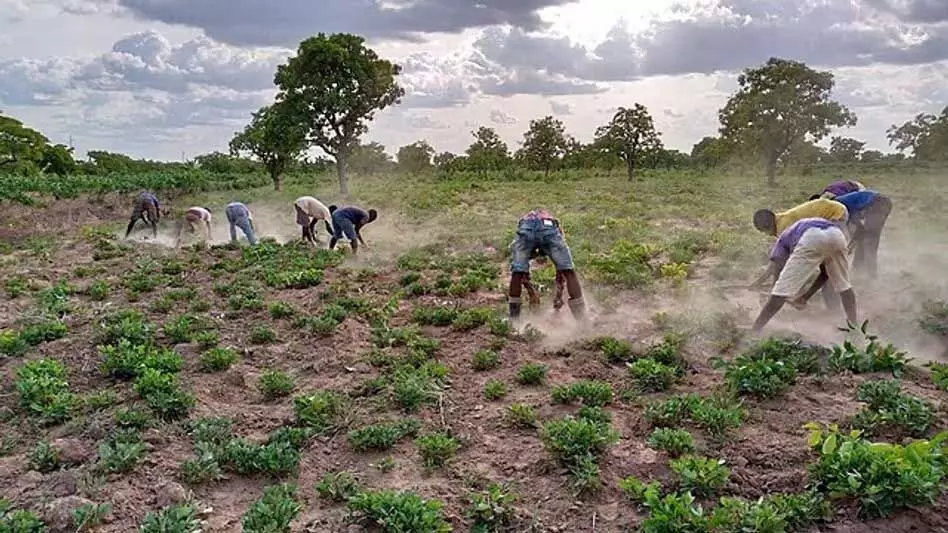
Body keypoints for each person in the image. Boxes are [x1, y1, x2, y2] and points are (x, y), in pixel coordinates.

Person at [753, 217, 857, 331]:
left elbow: (778, 266)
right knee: (844, 285)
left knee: (780, 291)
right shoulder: (795, 229)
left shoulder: (782, 241)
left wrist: (776, 291)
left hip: (811, 237)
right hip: (837, 235)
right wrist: (804, 297)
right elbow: (826, 273)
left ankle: (755, 329)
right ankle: (855, 327)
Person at [508, 209, 585, 320]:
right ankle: (582, 320)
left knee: (517, 271)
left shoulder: (527, 241)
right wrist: (556, 299)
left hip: (526, 227)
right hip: (548, 227)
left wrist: (556, 298)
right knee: (568, 271)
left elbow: (522, 275)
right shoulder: (555, 231)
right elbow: (562, 273)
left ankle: (513, 320)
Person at [831, 189, 891, 279]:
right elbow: (859, 229)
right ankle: (858, 269)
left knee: (870, 240)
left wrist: (850, 245)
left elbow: (858, 227)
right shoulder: (840, 204)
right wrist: (852, 242)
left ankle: (871, 275)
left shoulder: (838, 206)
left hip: (877, 203)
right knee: (865, 238)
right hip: (880, 202)